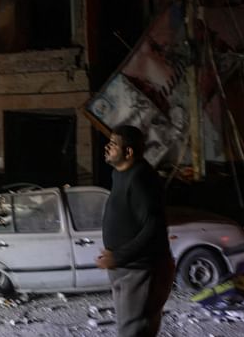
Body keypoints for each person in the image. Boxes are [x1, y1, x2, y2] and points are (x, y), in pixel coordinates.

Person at [96, 124, 175, 337]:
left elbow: (154, 228)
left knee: (134, 331)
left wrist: (119, 256)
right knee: (131, 329)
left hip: (140, 271)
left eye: (113, 144)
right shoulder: (119, 174)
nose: (107, 148)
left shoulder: (141, 178)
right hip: (125, 269)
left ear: (128, 152)